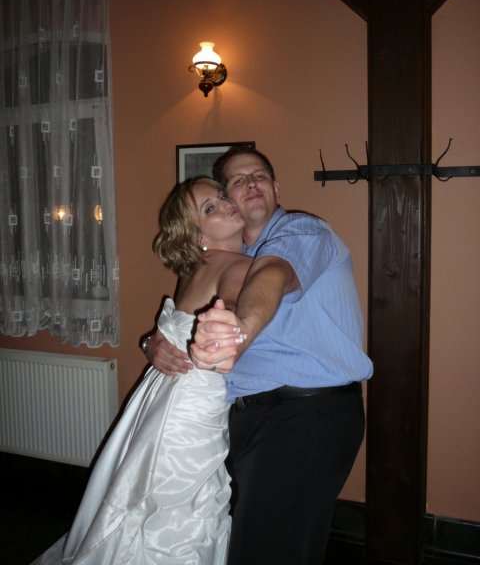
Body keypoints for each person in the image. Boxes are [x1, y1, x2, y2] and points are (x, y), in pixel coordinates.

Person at [146, 145, 374, 565]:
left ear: (276, 188)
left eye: (260, 176)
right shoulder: (228, 259)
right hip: (238, 418)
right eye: (237, 180)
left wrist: (239, 333)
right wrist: (154, 342)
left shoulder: (303, 232)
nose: (251, 183)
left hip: (306, 415)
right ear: (229, 199)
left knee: (267, 548)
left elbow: (274, 275)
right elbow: (186, 316)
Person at [32, 177, 251, 565]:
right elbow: (230, 305)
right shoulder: (238, 266)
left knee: (150, 494)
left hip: (161, 396)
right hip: (191, 407)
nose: (225, 203)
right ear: (198, 235)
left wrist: (153, 343)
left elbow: (170, 330)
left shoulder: (194, 269)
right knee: (180, 501)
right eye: (210, 208)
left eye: (220, 196)